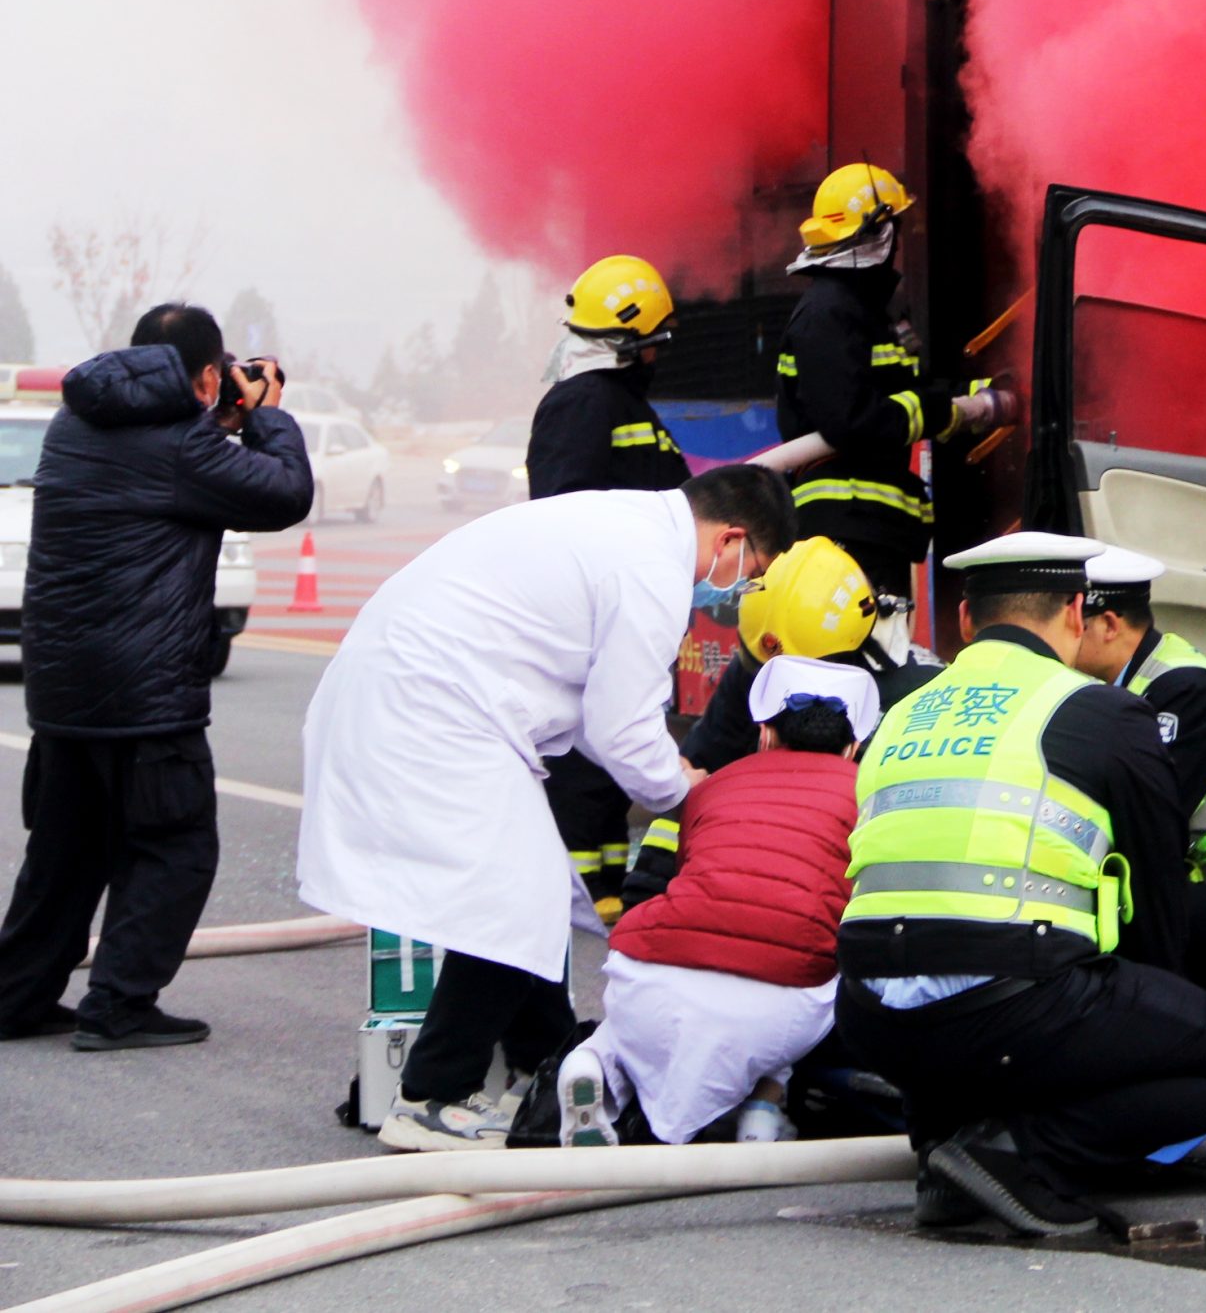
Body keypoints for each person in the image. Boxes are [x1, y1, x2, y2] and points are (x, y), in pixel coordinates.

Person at [296, 464, 795, 1151]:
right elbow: (622, 726)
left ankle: (548, 1066)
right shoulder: (652, 567)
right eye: (750, 568)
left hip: (426, 690)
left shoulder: (624, 521)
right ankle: (432, 1097)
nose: (736, 583)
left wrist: (666, 768)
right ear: (732, 538)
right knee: (516, 897)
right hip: (433, 704)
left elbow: (601, 713)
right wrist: (687, 794)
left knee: (536, 893)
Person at [834, 533, 1206, 1237]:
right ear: (1074, 610)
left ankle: (948, 1157)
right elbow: (1154, 896)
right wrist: (1155, 1022)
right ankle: (1021, 1156)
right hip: (1009, 1003)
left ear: (965, 622)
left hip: (872, 1019)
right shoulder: (1099, 711)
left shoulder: (900, 714)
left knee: (994, 1013)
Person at [0, 306, 311, 1050]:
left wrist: (219, 412)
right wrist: (267, 413)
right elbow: (284, 493)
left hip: (64, 690)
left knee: (66, 852)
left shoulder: (74, 423)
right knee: (177, 846)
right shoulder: (184, 443)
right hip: (145, 694)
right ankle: (120, 1005)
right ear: (206, 375)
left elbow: (175, 463)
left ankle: (15, 999)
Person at [559, 683, 872, 1146]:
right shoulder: (867, 792)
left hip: (648, 967)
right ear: (854, 748)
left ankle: (593, 1067)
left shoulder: (717, 782)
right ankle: (764, 1110)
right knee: (820, 969)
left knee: (626, 1034)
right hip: (777, 994)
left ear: (766, 736)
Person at [622, 534, 933, 905]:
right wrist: (648, 890)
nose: (777, 688)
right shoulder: (758, 663)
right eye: (767, 672)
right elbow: (699, 770)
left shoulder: (914, 694)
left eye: (797, 676)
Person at [526, 254, 692, 921]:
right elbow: (562, 509)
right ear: (628, 345)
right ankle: (585, 894)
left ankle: (603, 890)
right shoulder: (580, 405)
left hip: (621, 604)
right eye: (652, 344)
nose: (659, 356)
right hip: (595, 611)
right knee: (587, 756)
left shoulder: (618, 404)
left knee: (602, 758)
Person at [773, 162, 1003, 597]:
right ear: (880, 232)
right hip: (846, 526)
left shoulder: (864, 312)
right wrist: (940, 413)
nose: (900, 241)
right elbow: (850, 420)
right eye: (896, 227)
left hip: (869, 525)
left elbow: (905, 396)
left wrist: (985, 396)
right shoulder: (829, 313)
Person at [1073, 546, 1206, 1012]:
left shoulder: (1186, 690)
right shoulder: (1138, 679)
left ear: (1108, 625)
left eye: (1071, 622)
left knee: (1115, 916)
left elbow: (1141, 825)